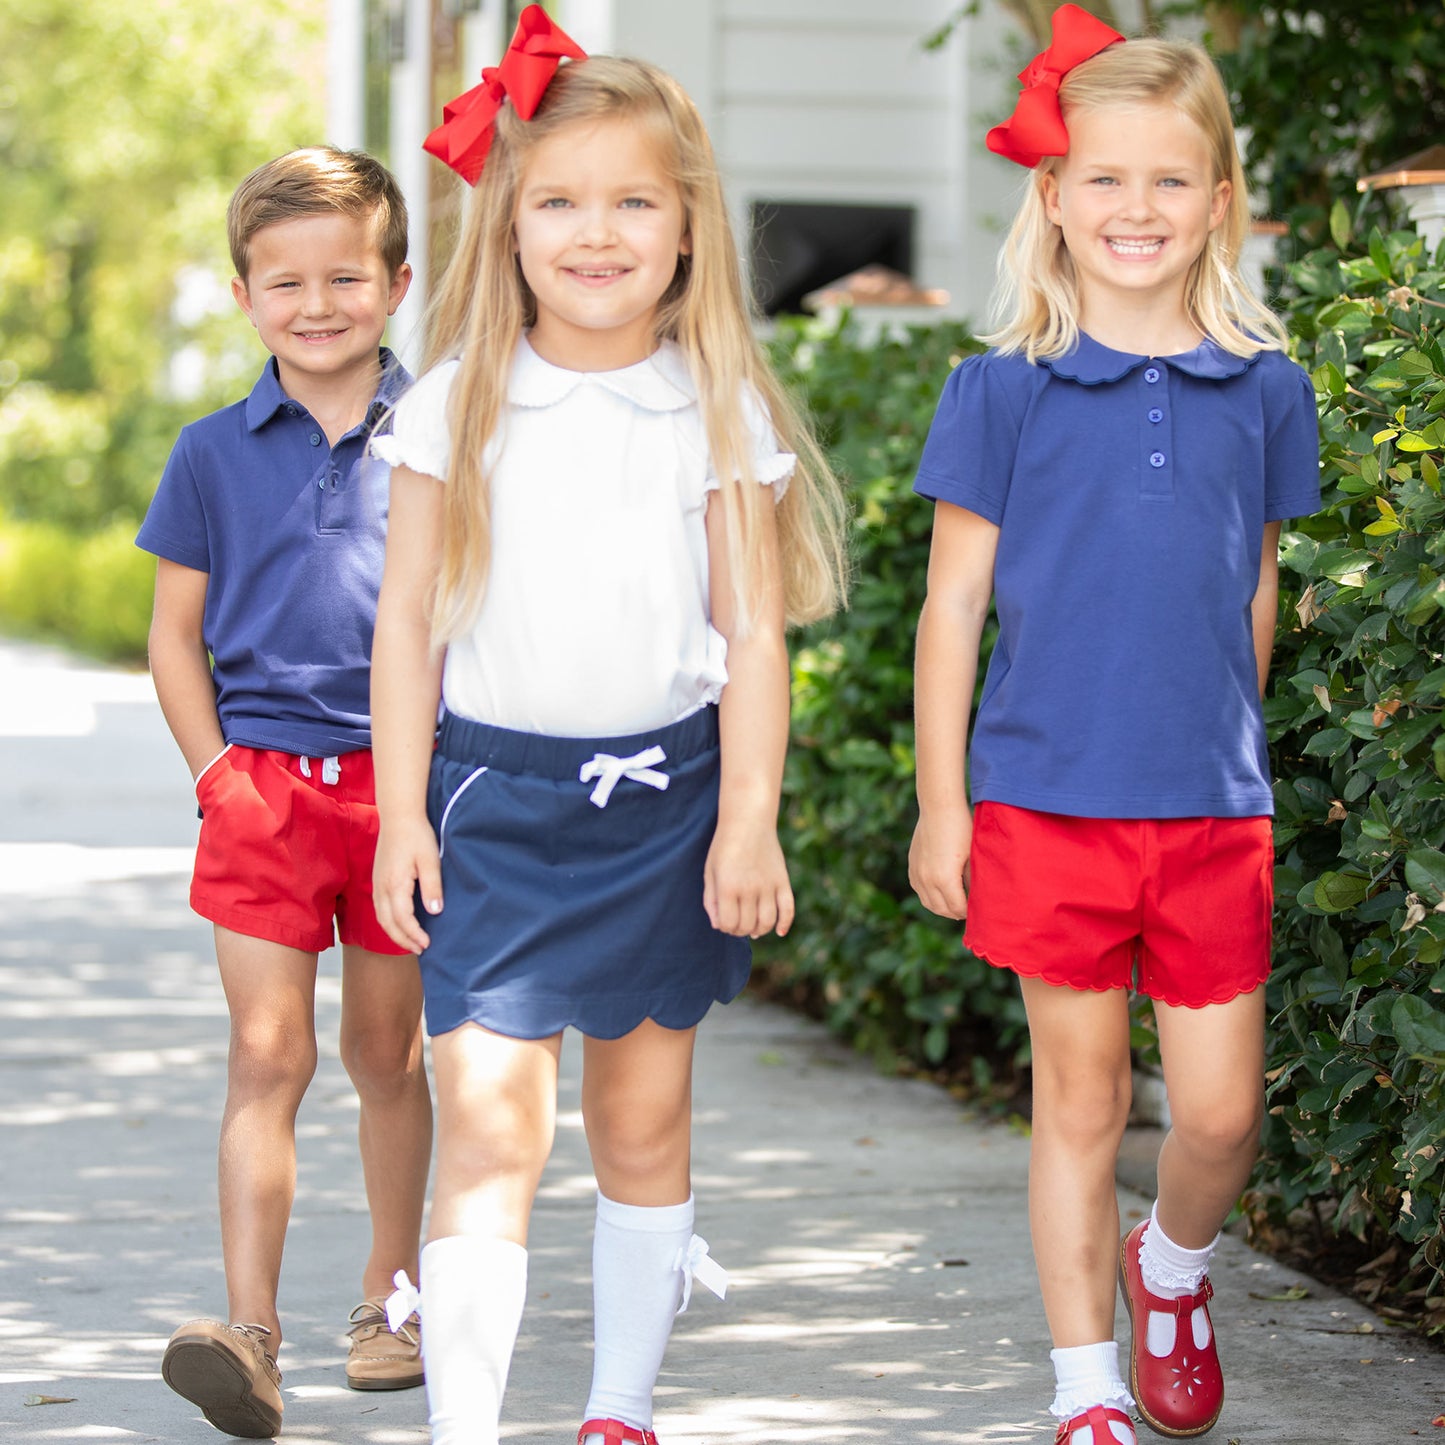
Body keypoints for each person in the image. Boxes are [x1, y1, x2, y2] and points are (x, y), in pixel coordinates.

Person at [366, 9, 848, 1444]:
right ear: (506, 228)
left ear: (687, 227)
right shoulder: (455, 403)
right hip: (493, 812)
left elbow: (753, 630)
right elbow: (405, 626)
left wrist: (749, 812)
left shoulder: (714, 408)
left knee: (641, 1125)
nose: (596, 232)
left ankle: (619, 1410)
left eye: (632, 200)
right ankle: (467, 1424)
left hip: (664, 812)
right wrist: (400, 811)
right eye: (559, 201)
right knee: (494, 1130)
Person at [907, 8, 1321, 1444]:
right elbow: (952, 607)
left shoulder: (1264, 388)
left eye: (1164, 180)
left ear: (1217, 201)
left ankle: (1174, 1265)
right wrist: (941, 802)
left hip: (1209, 807)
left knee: (1211, 1120)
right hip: (1039, 802)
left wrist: (1232, 742)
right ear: (1052, 197)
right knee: (1076, 1106)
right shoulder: (999, 387)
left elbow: (1252, 578)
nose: (1131, 209)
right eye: (1101, 178)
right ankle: (1085, 1384)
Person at [136, 146, 433, 1438]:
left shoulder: (442, 438)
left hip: (400, 791)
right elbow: (171, 636)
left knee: (384, 1053)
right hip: (260, 787)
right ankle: (249, 1332)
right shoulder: (209, 452)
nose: (317, 304)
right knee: (268, 1051)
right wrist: (215, 778)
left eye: (346, 277)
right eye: (284, 282)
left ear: (397, 282)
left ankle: (391, 1299)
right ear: (246, 295)